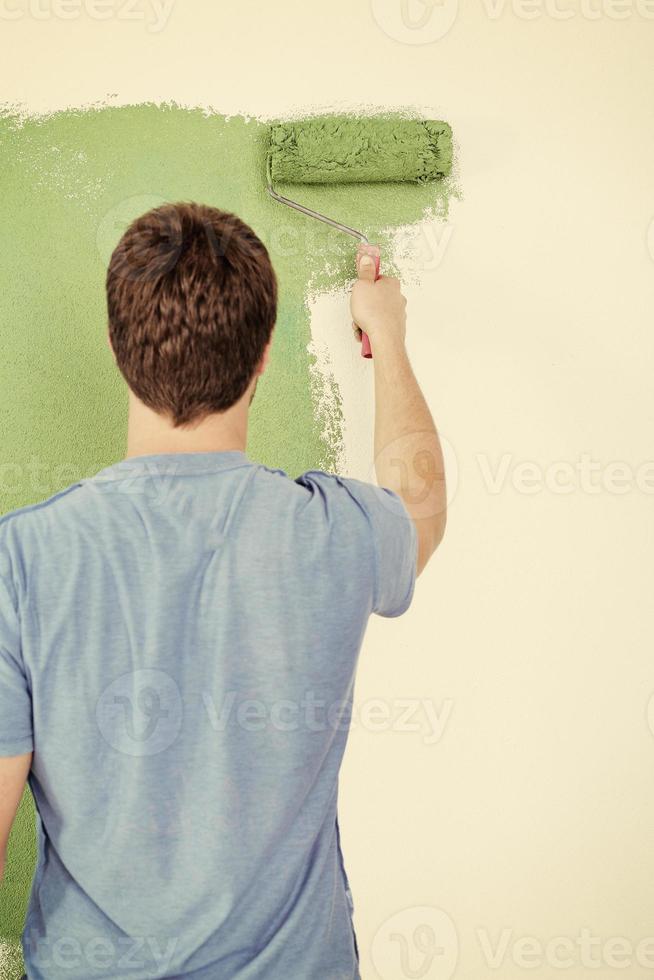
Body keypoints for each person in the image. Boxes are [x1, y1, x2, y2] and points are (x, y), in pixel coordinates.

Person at [0, 202, 446, 980]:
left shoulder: (21, 559)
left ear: (115, 346)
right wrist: (391, 340)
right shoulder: (332, 533)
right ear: (265, 353)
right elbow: (422, 508)